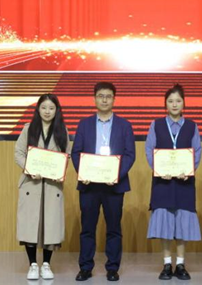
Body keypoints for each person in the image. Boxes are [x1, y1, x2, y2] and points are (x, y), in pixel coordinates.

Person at [71, 82, 136, 282]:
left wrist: (115, 175)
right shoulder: (84, 124)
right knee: (87, 228)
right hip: (89, 185)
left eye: (108, 96)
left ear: (114, 99)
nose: (104, 100)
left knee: (114, 228)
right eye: (101, 96)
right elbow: (76, 152)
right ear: (95, 99)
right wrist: (83, 172)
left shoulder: (125, 125)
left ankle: (112, 268)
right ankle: (85, 267)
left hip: (114, 186)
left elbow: (130, 155)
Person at [145, 84, 202, 281]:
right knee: (165, 223)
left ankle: (181, 264)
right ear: (165, 104)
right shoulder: (156, 124)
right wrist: (159, 170)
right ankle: (167, 263)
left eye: (178, 101)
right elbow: (149, 150)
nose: (174, 104)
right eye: (170, 101)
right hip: (163, 182)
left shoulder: (192, 126)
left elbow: (197, 151)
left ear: (184, 103)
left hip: (185, 182)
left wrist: (189, 170)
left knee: (182, 223)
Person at [14, 93, 72, 281]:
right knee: (30, 224)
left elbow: (67, 156)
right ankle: (32, 264)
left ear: (57, 111)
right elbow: (18, 153)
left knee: (51, 225)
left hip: (53, 186)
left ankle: (46, 264)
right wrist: (29, 169)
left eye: (51, 108)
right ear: (38, 109)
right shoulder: (29, 129)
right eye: (44, 107)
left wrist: (59, 168)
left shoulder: (62, 131)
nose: (47, 111)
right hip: (31, 184)